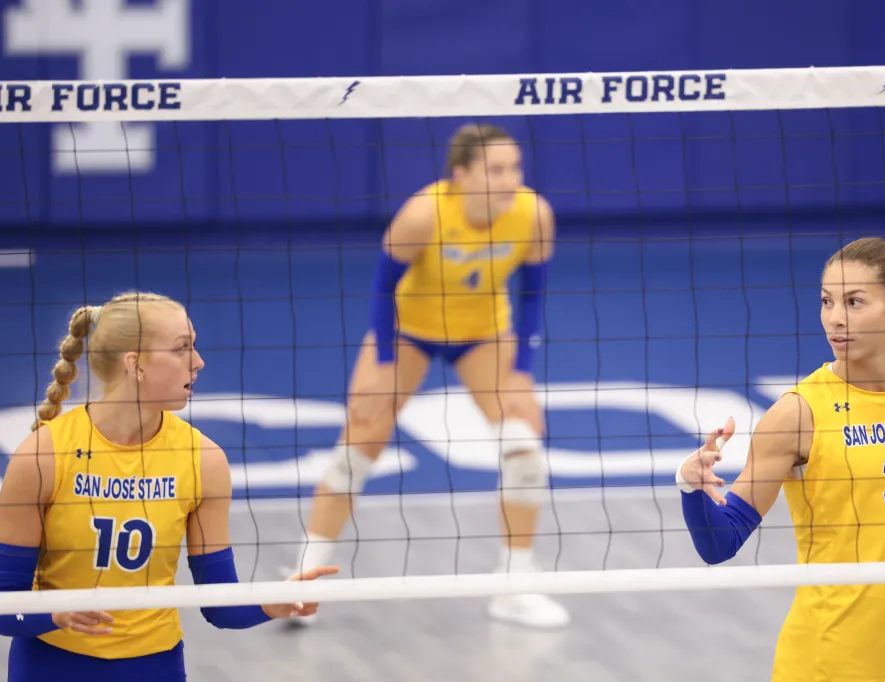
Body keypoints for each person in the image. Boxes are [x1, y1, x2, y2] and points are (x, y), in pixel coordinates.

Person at [288, 122, 568, 629]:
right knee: (361, 440)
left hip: (484, 333)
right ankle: (304, 578)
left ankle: (515, 584)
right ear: (461, 174)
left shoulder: (534, 214)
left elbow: (533, 294)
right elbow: (381, 288)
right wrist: (384, 365)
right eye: (496, 170)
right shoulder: (424, 214)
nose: (510, 180)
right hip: (407, 331)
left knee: (524, 447)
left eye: (515, 168)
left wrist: (521, 371)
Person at [676, 238, 885, 682]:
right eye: (827, 301)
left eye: (854, 301)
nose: (835, 318)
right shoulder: (798, 413)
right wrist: (691, 486)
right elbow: (718, 545)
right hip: (823, 665)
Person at [0, 292, 338, 682]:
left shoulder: (202, 459)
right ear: (136, 364)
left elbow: (219, 605)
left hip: (154, 666)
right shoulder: (44, 454)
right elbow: (6, 603)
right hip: (52, 664)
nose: (199, 361)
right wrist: (53, 615)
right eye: (182, 348)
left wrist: (273, 603)